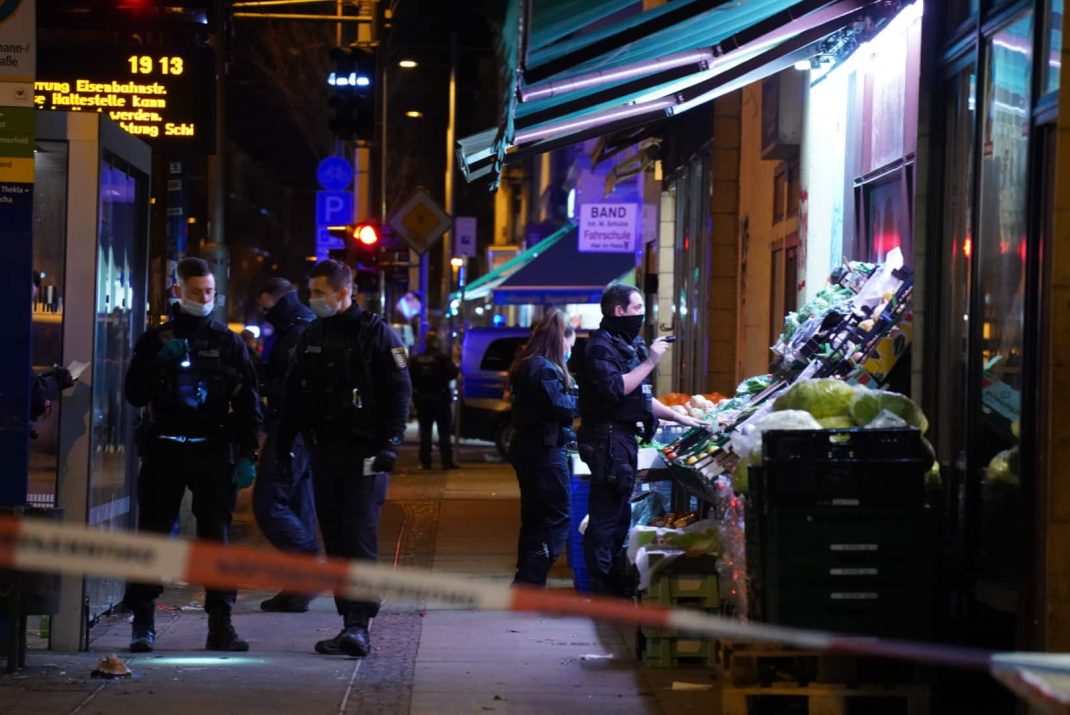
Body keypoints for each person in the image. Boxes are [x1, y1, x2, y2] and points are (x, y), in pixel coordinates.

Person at [122, 257, 262, 652]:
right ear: (177, 291)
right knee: (152, 535)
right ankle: (143, 622)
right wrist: (156, 368)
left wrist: (249, 451)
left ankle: (221, 624)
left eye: (210, 292)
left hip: (213, 451)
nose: (205, 298)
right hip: (165, 448)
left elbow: (248, 398)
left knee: (214, 539)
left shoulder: (227, 341)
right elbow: (134, 394)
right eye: (197, 291)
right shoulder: (156, 340)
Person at [277, 259, 412, 658]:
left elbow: (399, 392)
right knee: (336, 539)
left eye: (319, 293)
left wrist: (390, 443)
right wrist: (284, 447)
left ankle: (359, 624)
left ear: (343, 293)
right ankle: (348, 622)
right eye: (311, 292)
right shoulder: (312, 335)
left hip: (365, 453)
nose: (313, 299)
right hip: (326, 451)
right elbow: (294, 396)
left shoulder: (377, 334)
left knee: (358, 535)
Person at [578, 284, 704, 597]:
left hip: (622, 438)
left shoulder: (626, 343)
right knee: (607, 513)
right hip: (607, 438)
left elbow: (641, 395)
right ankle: (602, 585)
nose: (641, 315)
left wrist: (679, 417)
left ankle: (614, 579)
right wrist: (649, 361)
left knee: (620, 512)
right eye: (636, 308)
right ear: (618, 310)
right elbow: (615, 389)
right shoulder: (600, 348)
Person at [252, 278, 318, 613]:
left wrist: (260, 379)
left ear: (276, 302)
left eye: (265, 309)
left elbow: (291, 386)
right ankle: (299, 586)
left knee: (269, 501)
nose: (264, 315)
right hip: (300, 430)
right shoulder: (300, 326)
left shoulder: (295, 333)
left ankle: (308, 564)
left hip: (291, 429)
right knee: (298, 501)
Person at [507, 310, 578, 586]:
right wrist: (585, 400)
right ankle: (530, 579)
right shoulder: (544, 368)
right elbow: (559, 407)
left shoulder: (527, 364)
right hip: (544, 452)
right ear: (561, 341)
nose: (570, 352)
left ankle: (526, 581)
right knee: (557, 517)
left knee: (535, 517)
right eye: (570, 345)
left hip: (529, 449)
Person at [409, 331, 459, 470]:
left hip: (423, 399)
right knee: (444, 431)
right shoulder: (442, 358)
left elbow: (410, 378)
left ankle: (426, 461)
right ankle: (446, 461)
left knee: (425, 431)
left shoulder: (417, 359)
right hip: (440, 399)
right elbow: (453, 373)